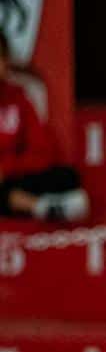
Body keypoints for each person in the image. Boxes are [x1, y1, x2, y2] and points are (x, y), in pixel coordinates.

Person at [0, 31, 90, 222]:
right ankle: (40, 206)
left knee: (67, 175)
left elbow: (42, 152)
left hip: (13, 176)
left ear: (6, 62)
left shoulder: (18, 98)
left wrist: (6, 168)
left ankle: (39, 205)